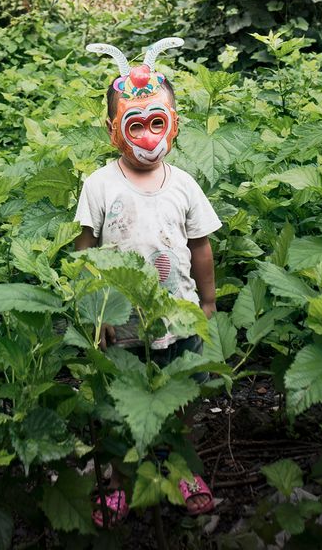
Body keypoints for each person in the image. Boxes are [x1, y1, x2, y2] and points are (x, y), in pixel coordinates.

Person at [74, 38, 220, 525]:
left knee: (182, 398)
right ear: (114, 130)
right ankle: (116, 478)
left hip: (178, 315)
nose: (148, 137)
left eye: (158, 122)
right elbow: (85, 252)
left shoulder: (184, 184)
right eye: (136, 125)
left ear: (174, 125)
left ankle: (181, 467)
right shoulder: (98, 185)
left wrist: (209, 302)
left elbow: (200, 245)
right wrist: (96, 313)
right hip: (122, 322)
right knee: (120, 404)